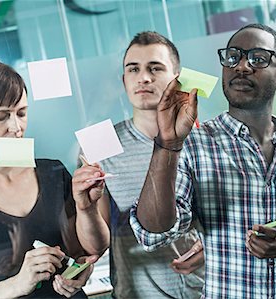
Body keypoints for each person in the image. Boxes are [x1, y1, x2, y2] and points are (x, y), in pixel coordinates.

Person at [130, 23, 276, 298]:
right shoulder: (195, 143)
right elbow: (153, 233)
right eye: (233, 57)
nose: (242, 66)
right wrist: (167, 144)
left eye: (258, 58)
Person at [0, 60, 96, 299]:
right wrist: (17, 285)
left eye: (21, 113)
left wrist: (81, 271)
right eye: (2, 116)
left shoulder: (53, 172)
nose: (16, 127)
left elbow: (81, 253)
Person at [72, 31, 204, 298]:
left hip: (207, 289)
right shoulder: (98, 142)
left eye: (155, 68)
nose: (144, 77)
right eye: (134, 69)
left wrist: (213, 249)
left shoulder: (204, 138)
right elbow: (96, 246)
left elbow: (234, 219)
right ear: (124, 80)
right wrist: (84, 208)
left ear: (177, 78)